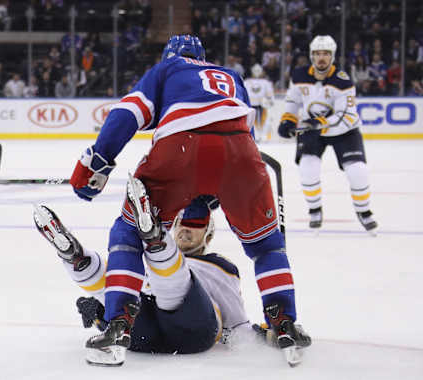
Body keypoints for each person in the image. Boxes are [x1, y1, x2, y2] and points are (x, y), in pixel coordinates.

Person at [67, 35, 310, 366]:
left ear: (170, 55)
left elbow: (129, 113)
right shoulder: (231, 77)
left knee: (127, 232)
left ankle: (118, 326)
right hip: (242, 154)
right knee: (267, 246)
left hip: (181, 146)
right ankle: (285, 322)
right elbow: (242, 138)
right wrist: (212, 186)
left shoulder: (168, 69)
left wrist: (98, 161)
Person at [34, 198, 295, 365]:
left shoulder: (219, 265)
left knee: (177, 283)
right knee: (122, 292)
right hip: (143, 338)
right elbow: (131, 295)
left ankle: (146, 245)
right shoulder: (147, 268)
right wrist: (100, 314)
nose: (185, 229)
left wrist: (275, 332)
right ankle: (77, 258)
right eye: (182, 224)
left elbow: (236, 323)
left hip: (195, 332)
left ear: (208, 235)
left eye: (195, 226)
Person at [277, 35, 378, 234]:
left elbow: (345, 116)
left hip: (344, 131)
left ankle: (364, 212)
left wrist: (318, 122)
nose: (321, 58)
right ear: (311, 55)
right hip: (312, 129)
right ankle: (315, 210)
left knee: (358, 171)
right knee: (307, 169)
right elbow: (293, 101)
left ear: (332, 56)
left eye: (325, 54)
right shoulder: (298, 75)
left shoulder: (343, 81)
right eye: (317, 54)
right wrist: (287, 119)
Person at [244, 63, 275, 142]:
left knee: (264, 122)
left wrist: (270, 101)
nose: (257, 72)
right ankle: (254, 137)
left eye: (258, 70)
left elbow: (270, 95)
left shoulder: (265, 82)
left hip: (262, 105)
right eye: (255, 70)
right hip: (250, 105)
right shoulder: (247, 82)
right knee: (251, 122)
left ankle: (263, 136)